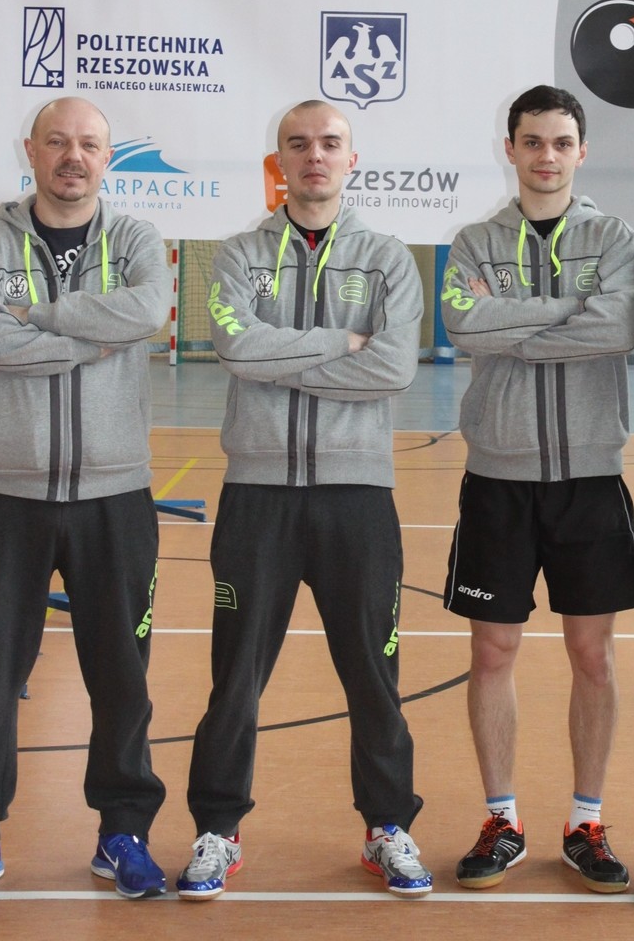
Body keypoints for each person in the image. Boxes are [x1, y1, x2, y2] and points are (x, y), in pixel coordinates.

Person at [0, 97, 172, 910]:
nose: (73, 156)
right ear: (31, 150)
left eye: (89, 144)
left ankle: (123, 833)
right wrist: (93, 339)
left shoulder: (136, 240)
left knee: (122, 677)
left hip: (115, 496)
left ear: (107, 158)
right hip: (5, 496)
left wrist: (38, 317)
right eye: (57, 141)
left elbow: (146, 313)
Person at [177, 99, 430, 900]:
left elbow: (392, 368)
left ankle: (387, 826)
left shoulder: (388, 259)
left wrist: (285, 356)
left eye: (330, 143)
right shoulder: (238, 255)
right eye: (299, 144)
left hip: (358, 496)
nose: (314, 156)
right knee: (235, 677)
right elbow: (235, 347)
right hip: (258, 496)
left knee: (374, 675)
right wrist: (340, 344)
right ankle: (218, 828)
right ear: (279, 162)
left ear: (352, 160)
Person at [439, 84, 634, 892]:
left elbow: (619, 328)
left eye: (561, 142)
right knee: (492, 651)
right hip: (499, 477)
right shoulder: (473, 241)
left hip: (589, 477)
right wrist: (570, 315)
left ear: (581, 151)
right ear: (511, 149)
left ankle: (585, 821)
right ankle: (502, 818)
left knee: (592, 655)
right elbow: (462, 326)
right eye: (532, 141)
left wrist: (512, 322)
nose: (547, 156)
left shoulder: (613, 237)